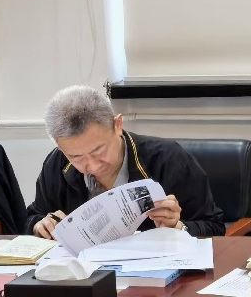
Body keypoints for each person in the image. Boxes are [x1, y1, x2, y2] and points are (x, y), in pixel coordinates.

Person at [27, 85, 225, 238]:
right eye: (77, 157)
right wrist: (40, 225)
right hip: (85, 274)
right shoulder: (57, 164)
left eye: (99, 150)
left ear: (118, 125)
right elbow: (33, 216)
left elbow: (215, 227)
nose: (93, 166)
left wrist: (177, 227)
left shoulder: (169, 159)